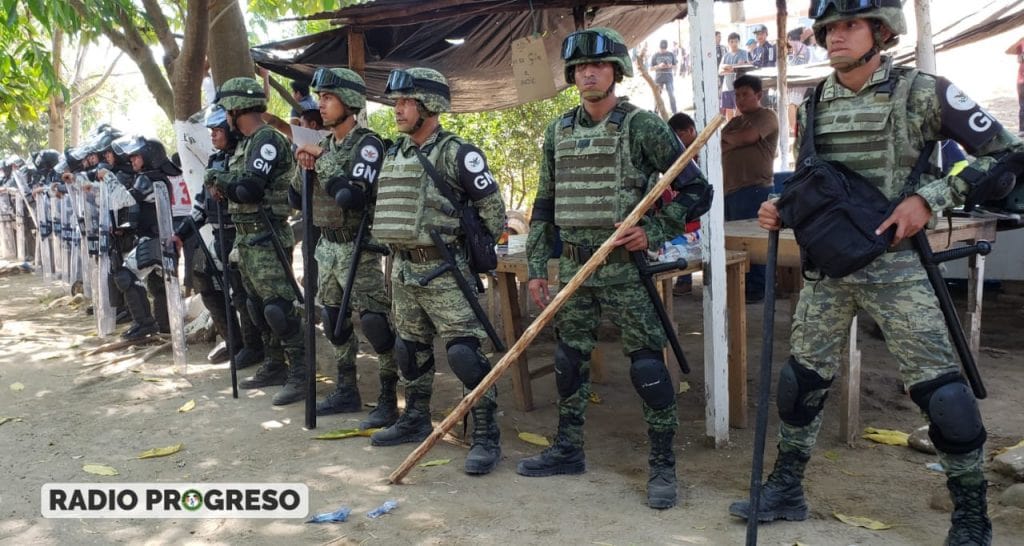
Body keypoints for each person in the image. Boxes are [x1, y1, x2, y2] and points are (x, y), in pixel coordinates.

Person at [729, 2, 1023, 544]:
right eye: (828, 28)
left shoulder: (924, 92)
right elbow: (819, 182)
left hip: (898, 270)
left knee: (943, 397)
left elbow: (1009, 153)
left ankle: (970, 516)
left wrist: (931, 199)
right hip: (830, 268)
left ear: (881, 33)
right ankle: (787, 488)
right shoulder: (814, 100)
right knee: (800, 385)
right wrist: (780, 206)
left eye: (849, 25)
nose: (834, 37)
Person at [516, 27, 712, 509]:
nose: (588, 73)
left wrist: (655, 228)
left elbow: (697, 191)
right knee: (568, 360)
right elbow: (544, 205)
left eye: (598, 65)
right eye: (580, 66)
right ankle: (567, 449)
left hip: (626, 268)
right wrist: (539, 266)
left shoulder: (642, 126)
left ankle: (663, 466)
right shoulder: (557, 130)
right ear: (571, 75)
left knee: (647, 364)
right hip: (576, 270)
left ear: (617, 71)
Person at [370, 67, 507, 476]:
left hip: (445, 272)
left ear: (430, 105)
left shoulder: (457, 153)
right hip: (403, 271)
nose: (398, 109)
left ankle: (485, 433)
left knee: (465, 354)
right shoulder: (396, 152)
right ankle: (414, 417)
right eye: (397, 102)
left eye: (406, 101)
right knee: (409, 351)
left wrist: (464, 249)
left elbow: (494, 213)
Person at [291, 67, 400, 428]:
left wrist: (320, 159)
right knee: (333, 323)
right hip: (328, 246)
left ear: (350, 102)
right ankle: (346, 388)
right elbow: (296, 196)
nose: (321, 105)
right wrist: (303, 162)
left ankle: (388, 398)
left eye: (328, 98)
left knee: (375, 323)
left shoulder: (367, 143)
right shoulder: (326, 145)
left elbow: (350, 195)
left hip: (361, 248)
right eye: (320, 97)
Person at [210, 77, 308, 406]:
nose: (224, 117)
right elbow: (235, 189)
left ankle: (301, 372)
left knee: (278, 308)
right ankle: (275, 363)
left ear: (238, 109)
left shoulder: (266, 140)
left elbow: (248, 189)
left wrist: (219, 178)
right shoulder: (245, 144)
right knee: (255, 307)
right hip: (245, 233)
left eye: (226, 110)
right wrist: (224, 182)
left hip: (267, 233)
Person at [173, 105, 265, 368]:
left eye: (217, 130)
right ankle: (233, 340)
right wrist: (180, 235)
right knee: (204, 281)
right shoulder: (214, 161)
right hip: (215, 236)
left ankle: (253, 346)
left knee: (241, 293)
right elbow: (201, 205)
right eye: (211, 130)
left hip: (240, 234)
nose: (213, 135)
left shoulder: (244, 156)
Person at [721, 74, 778, 304]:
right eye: (737, 95)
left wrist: (728, 139)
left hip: (755, 188)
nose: (740, 99)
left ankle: (758, 288)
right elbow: (718, 142)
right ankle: (740, 286)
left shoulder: (767, 116)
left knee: (755, 242)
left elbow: (747, 138)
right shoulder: (734, 121)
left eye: (745, 94)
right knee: (735, 242)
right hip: (731, 190)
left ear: (758, 95)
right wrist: (728, 138)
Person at [786, 27, 813, 136]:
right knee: (796, 104)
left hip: (794, 78)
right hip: (802, 78)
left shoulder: (794, 44)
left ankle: (793, 129)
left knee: (792, 103)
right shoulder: (806, 47)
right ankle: (796, 129)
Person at [720, 32, 751, 119]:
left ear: (739, 42)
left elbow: (741, 66)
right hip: (726, 86)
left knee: (739, 110)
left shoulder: (743, 53)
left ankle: (739, 130)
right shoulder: (725, 56)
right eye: (731, 41)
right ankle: (730, 130)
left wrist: (729, 68)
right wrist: (732, 68)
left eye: (736, 41)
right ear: (728, 43)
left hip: (739, 86)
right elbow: (720, 71)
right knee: (728, 111)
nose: (734, 44)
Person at [650, 40, 678, 114]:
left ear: (666, 47)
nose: (663, 50)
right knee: (657, 97)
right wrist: (659, 66)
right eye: (662, 49)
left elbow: (676, 66)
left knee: (671, 95)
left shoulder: (671, 54)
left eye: (664, 49)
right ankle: (656, 113)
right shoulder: (655, 55)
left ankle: (675, 112)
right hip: (658, 79)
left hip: (669, 78)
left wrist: (670, 66)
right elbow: (651, 68)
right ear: (659, 47)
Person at [1007, 36, 1024, 135]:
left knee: (1022, 106)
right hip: (1021, 81)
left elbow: (1018, 58)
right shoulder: (1022, 42)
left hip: (1021, 81)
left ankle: (1022, 130)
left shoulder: (1021, 42)